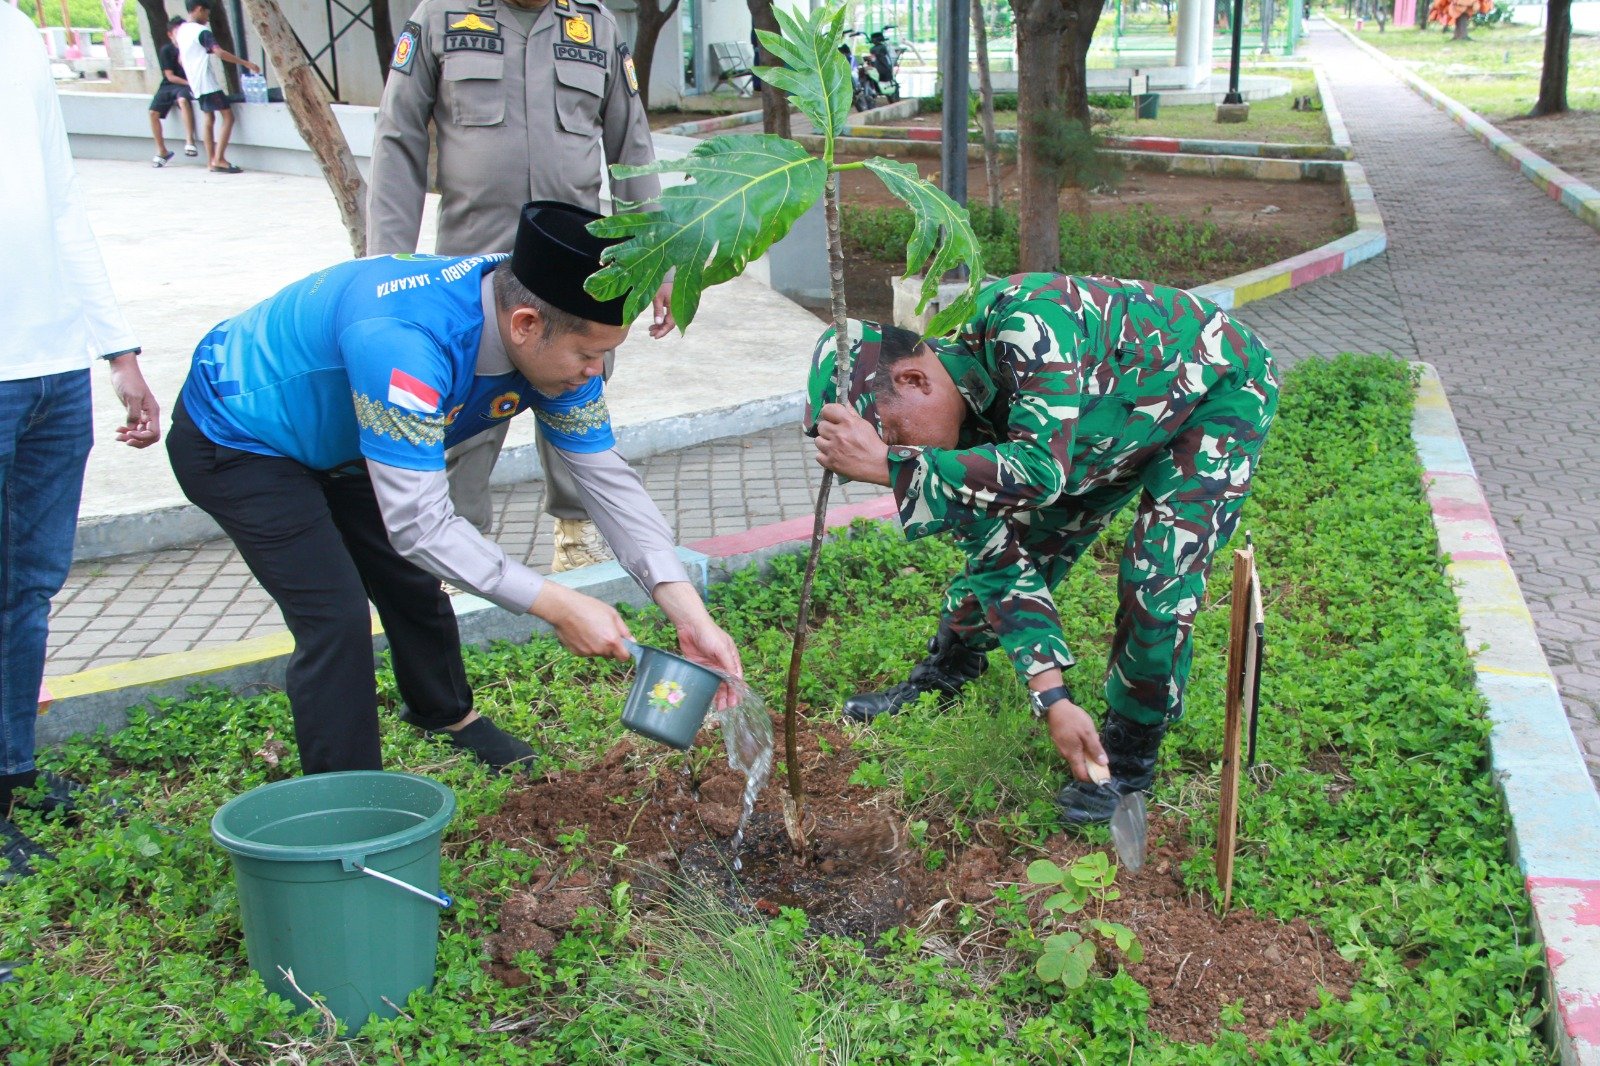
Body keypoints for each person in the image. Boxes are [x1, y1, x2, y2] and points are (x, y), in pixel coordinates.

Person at [166, 200, 741, 777]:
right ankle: (345, 801)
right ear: (525, 326)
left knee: (413, 579)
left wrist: (691, 617)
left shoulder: (546, 321)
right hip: (242, 437)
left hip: (352, 440)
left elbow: (608, 483)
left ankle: (446, 716)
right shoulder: (407, 343)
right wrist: (556, 603)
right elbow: (419, 523)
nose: (595, 371)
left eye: (605, 355)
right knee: (334, 615)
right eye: (590, 355)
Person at [806, 273, 1279, 825]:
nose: (903, 451)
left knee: (1159, 575)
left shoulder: (1026, 321)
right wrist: (1052, 698)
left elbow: (1039, 472)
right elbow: (996, 558)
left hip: (1212, 396)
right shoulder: (955, 423)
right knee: (1020, 543)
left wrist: (894, 466)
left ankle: (1127, 751)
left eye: (891, 433)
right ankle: (948, 671)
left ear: (914, 378)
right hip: (1098, 429)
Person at [367, 0, 671, 572]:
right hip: (472, 262)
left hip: (573, 263)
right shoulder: (440, 17)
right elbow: (398, 140)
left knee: (573, 389)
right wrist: (387, 263)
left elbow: (632, 148)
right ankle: (455, 549)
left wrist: (654, 259)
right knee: (460, 409)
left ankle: (579, 535)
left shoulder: (595, 24)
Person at [1, 3, 162, 882]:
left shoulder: (19, 33)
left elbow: (61, 201)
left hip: (52, 365)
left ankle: (13, 770)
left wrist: (118, 350)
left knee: (28, 587)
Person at [174, 0, 259, 174]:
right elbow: (219, 52)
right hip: (207, 83)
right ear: (199, 9)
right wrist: (245, 63)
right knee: (228, 117)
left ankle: (211, 161)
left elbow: (181, 59)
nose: (207, 18)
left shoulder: (181, 31)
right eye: (206, 13)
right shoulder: (202, 32)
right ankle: (219, 158)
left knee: (209, 119)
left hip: (195, 84)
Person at [147, 15, 198, 167]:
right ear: (170, 34)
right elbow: (170, 76)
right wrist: (190, 82)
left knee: (183, 100)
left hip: (185, 87)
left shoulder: (191, 48)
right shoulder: (167, 50)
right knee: (153, 113)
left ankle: (190, 141)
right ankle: (162, 150)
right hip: (170, 84)